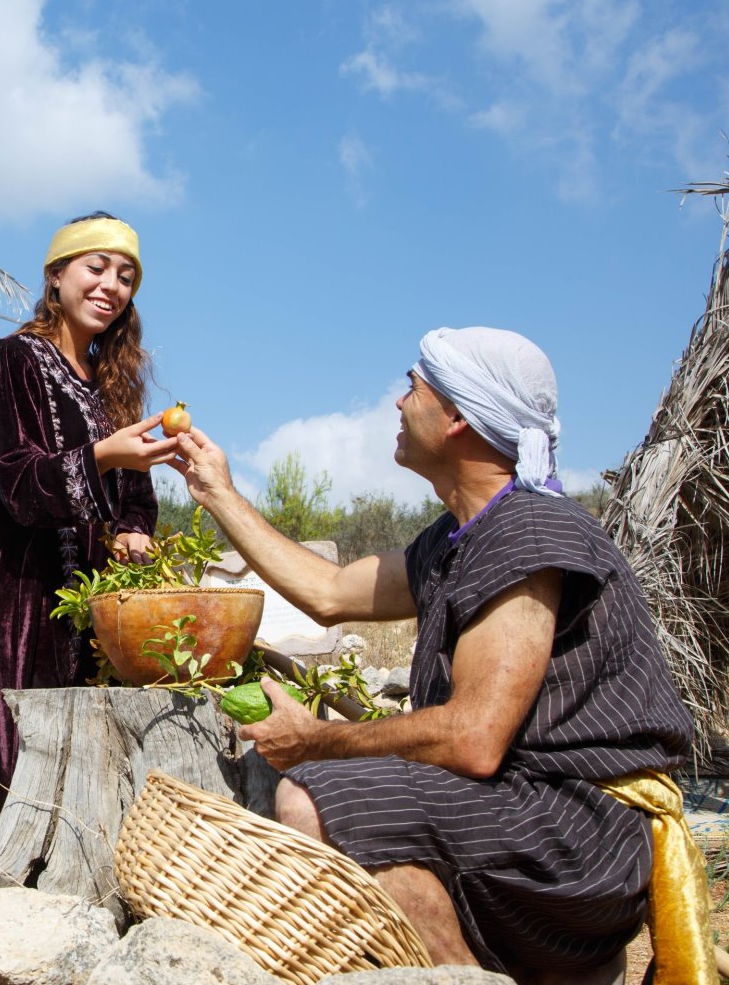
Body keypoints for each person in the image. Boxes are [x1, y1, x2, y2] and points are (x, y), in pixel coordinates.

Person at [169, 327, 696, 983]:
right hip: (522, 812)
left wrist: (316, 742)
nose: (397, 403)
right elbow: (329, 591)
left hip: (577, 833)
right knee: (355, 805)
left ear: (457, 418)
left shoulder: (528, 529)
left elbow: (474, 738)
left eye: (412, 387)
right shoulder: (458, 537)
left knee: (317, 797)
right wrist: (217, 490)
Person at [0, 212, 179, 837]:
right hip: (20, 595)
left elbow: (136, 497)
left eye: (127, 276)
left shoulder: (113, 390)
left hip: (97, 598)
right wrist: (104, 456)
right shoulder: (8, 361)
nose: (112, 285)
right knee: (22, 749)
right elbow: (19, 485)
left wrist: (137, 530)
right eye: (96, 268)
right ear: (56, 278)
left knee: (95, 754)